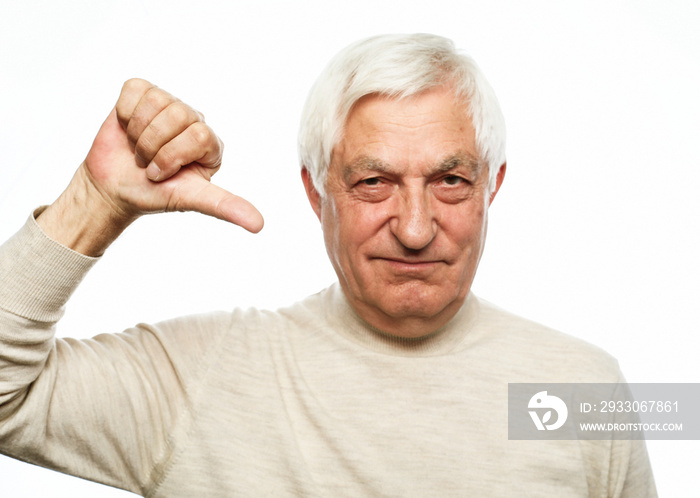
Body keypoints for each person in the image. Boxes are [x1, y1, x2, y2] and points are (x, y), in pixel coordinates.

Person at [0, 33, 655, 496]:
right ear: (317, 194)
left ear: (492, 188)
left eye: (451, 180)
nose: (417, 227)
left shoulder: (588, 390)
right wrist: (94, 201)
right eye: (373, 182)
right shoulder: (204, 376)